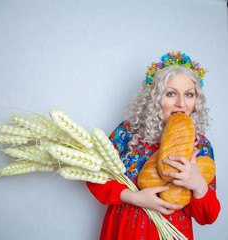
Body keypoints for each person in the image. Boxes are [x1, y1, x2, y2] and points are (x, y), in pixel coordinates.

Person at [87, 51, 221, 240]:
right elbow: (94, 176)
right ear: (155, 97)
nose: (181, 103)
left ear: (196, 101)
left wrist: (199, 186)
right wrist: (134, 198)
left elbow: (208, 216)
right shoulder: (129, 132)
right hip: (126, 231)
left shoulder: (202, 147)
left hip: (173, 233)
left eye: (189, 95)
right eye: (171, 94)